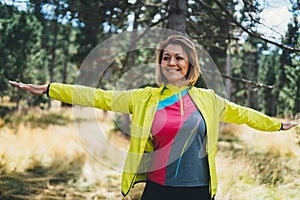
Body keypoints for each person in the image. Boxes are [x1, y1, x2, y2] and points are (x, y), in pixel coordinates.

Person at [9, 35, 297, 200]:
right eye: (166, 57)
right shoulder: (144, 97)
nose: (171, 62)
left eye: (178, 58)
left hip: (198, 190)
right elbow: (98, 96)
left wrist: (277, 124)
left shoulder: (209, 100)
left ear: (190, 65)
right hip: (158, 189)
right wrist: (49, 89)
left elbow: (244, 113)